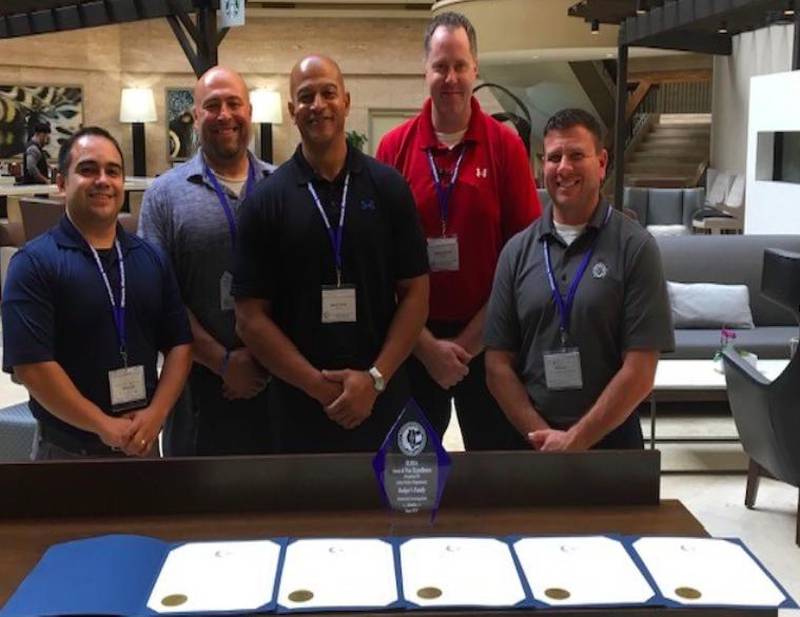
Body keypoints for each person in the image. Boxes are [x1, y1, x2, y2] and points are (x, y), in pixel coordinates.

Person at [233, 55, 429, 453]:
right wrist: (318, 387)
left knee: (389, 513)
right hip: (298, 406)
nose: (318, 105)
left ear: (347, 101)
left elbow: (416, 294)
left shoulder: (389, 188)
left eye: (328, 93)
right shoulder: (265, 202)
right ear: (292, 110)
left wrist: (374, 379)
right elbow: (250, 318)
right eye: (306, 96)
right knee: (304, 515)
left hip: (383, 397)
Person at [376, 11, 542, 450]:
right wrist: (426, 346)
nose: (450, 77)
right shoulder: (394, 148)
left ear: (475, 69)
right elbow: (380, 260)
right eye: (440, 66)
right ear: (425, 70)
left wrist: (467, 346)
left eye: (459, 66)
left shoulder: (505, 146)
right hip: (413, 343)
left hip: (489, 341)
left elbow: (523, 260)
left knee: (495, 476)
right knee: (410, 473)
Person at [484, 108, 674, 450]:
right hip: (530, 446)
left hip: (613, 444)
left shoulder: (636, 248)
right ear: (542, 166)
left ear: (601, 164)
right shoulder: (516, 252)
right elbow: (497, 365)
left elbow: (641, 369)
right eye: (554, 157)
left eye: (576, 155)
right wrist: (544, 438)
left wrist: (576, 439)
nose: (564, 168)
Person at [2, 127, 193, 459]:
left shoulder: (150, 258)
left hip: (142, 446)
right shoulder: (33, 263)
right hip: (67, 453)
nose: (103, 180)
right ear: (61, 184)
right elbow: (31, 366)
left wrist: (156, 415)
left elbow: (179, 344)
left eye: (113, 171)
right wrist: (103, 425)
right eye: (88, 170)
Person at [139, 66, 275, 456]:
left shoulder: (280, 186)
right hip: (195, 386)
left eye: (234, 103)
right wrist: (224, 362)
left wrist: (263, 359)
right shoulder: (164, 196)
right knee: (195, 506)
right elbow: (161, 298)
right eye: (211, 105)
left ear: (249, 111)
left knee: (275, 504)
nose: (224, 114)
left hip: (277, 381)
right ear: (196, 117)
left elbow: (296, 285)